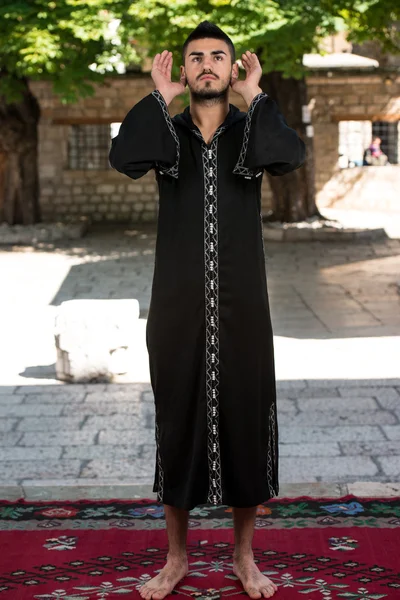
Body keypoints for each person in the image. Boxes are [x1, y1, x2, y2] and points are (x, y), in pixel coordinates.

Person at [109, 21, 306, 600]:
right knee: (179, 422)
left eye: (218, 57)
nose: (207, 65)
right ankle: (176, 559)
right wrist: (156, 95)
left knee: (245, 419)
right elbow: (124, 157)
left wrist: (258, 96)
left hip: (244, 309)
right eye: (196, 58)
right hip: (178, 308)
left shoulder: (252, 132)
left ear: (233, 68)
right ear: (185, 71)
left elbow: (290, 155)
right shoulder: (166, 135)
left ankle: (245, 558)